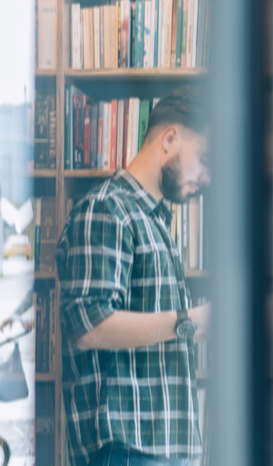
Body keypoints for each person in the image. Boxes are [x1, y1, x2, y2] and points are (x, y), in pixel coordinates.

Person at [56, 86, 210, 466]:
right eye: (205, 159)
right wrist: (188, 321)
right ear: (170, 138)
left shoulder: (153, 219)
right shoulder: (108, 209)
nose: (206, 177)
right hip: (128, 453)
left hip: (159, 451)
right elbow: (89, 325)